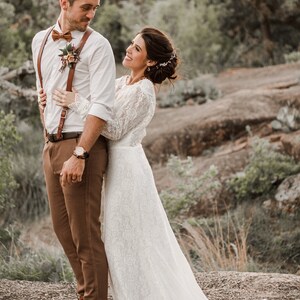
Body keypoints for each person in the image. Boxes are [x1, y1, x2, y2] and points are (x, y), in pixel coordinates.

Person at [51, 26, 208, 299]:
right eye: (131, 44)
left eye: (137, 48)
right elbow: (98, 100)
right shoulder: (124, 83)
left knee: (125, 240)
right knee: (120, 238)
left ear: (150, 61)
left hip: (127, 169)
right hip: (116, 167)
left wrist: (76, 103)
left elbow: (113, 129)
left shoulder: (144, 91)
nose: (129, 49)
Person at [31, 0, 115, 299]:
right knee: (63, 232)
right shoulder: (40, 40)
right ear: (64, 3)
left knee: (86, 237)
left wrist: (80, 154)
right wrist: (47, 131)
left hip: (82, 146)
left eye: (96, 8)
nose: (91, 14)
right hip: (51, 145)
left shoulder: (99, 46)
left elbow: (103, 105)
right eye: (86, 7)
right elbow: (43, 91)